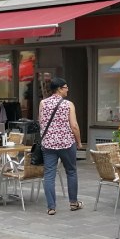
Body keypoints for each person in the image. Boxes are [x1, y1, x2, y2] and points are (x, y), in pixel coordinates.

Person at [39, 77, 83, 215]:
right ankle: (73, 203)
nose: (67, 89)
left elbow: (41, 123)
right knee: (71, 171)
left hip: (48, 144)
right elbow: (74, 126)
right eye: (65, 87)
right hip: (66, 143)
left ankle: (51, 207)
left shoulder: (43, 103)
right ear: (59, 89)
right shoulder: (68, 105)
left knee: (49, 175)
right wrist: (79, 142)